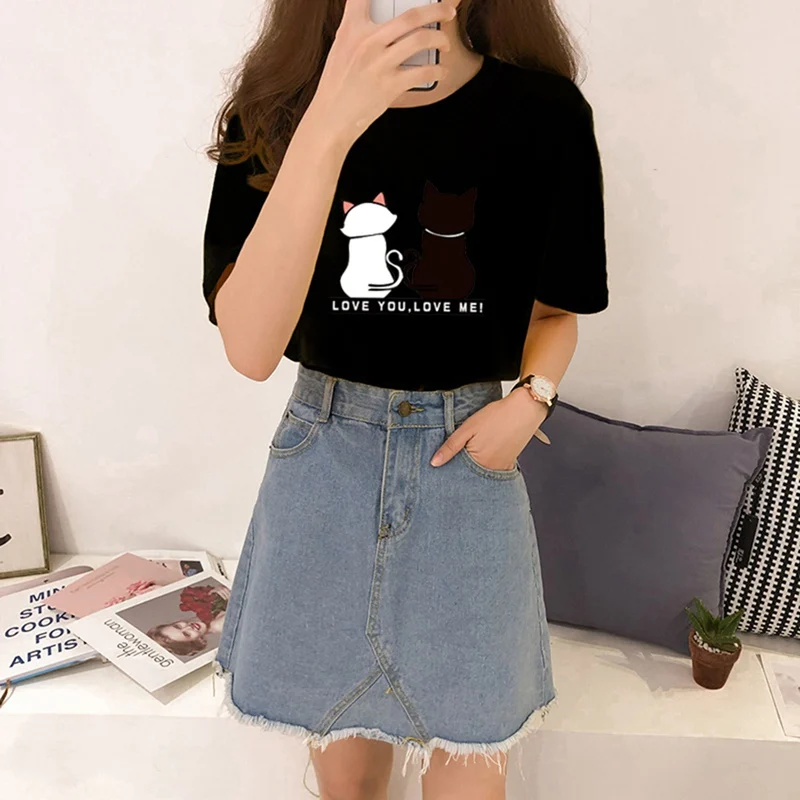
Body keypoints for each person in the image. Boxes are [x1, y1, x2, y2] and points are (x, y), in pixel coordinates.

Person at [202, 0, 609, 797]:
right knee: (347, 782)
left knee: (472, 772)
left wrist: (528, 404)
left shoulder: (543, 113)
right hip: (325, 463)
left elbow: (555, 312)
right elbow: (250, 349)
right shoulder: (275, 111)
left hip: (469, 467)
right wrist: (330, 123)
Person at [147, 584, 230, 658]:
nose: (188, 627)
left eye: (178, 626)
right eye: (186, 634)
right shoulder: (220, 625)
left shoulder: (207, 612)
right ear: (196, 642)